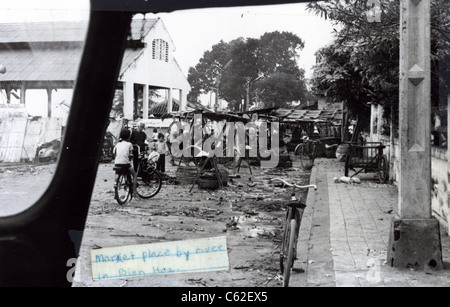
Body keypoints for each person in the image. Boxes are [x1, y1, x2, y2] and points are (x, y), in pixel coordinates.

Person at [113, 129, 137, 197]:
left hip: (117, 163)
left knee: (117, 174)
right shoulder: (129, 144)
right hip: (125, 164)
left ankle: (116, 188)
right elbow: (131, 155)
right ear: (128, 137)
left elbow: (114, 153)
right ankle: (134, 192)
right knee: (134, 175)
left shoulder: (117, 144)